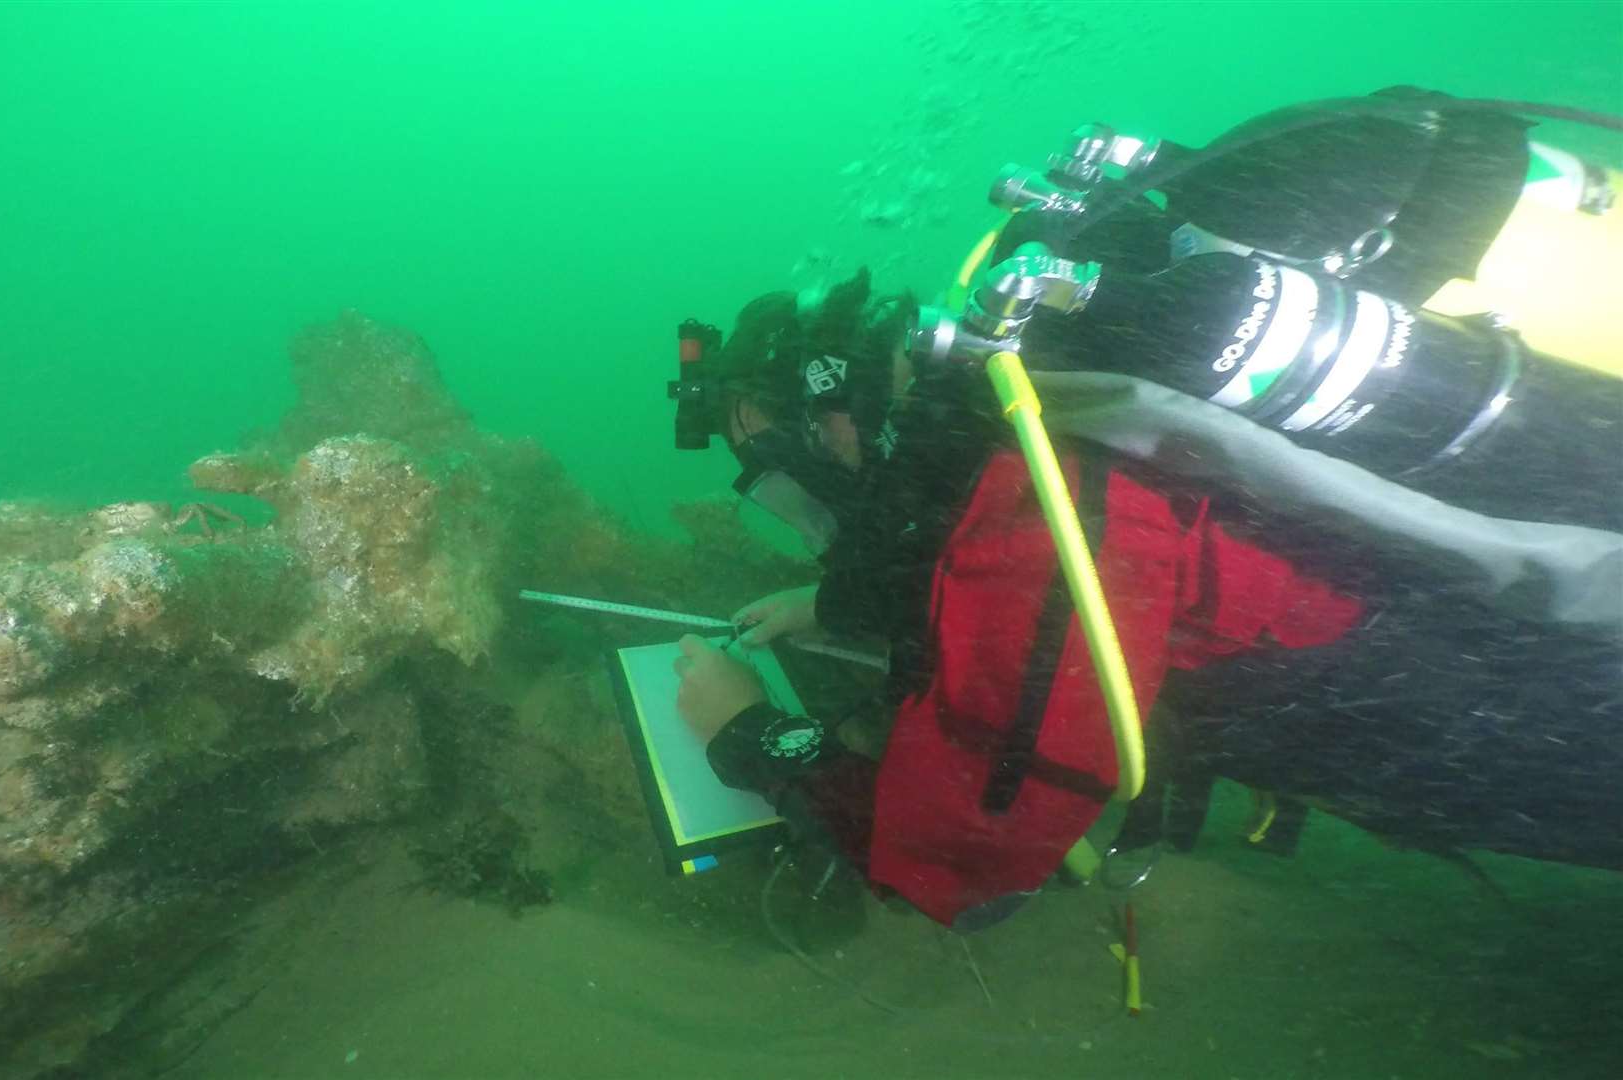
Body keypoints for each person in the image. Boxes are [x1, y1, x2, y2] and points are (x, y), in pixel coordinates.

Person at [669, 88, 1623, 929]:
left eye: (769, 454)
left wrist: (746, 732)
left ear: (821, 419)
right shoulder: (1037, 394)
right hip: (1497, 673)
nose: (791, 498)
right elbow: (968, 563)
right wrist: (827, 607)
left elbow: (961, 855)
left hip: (1516, 726)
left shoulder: (1034, 489)